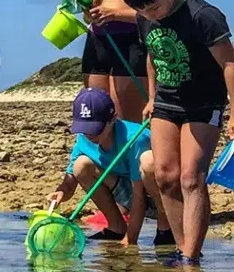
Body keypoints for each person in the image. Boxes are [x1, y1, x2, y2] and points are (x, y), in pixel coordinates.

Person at [121, 0, 234, 264]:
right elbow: (153, 54)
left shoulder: (202, 16)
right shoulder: (145, 17)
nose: (148, 14)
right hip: (166, 102)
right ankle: (183, 249)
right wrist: (152, 96)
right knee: (165, 176)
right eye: (141, 9)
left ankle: (192, 256)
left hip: (203, 103)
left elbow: (229, 64)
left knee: (190, 178)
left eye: (153, 7)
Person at [48, 87, 173, 245]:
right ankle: (116, 227)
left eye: (95, 130)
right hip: (128, 192)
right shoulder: (84, 138)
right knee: (81, 165)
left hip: (156, 194)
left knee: (149, 162)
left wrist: (131, 240)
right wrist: (61, 193)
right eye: (85, 129)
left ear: (112, 119)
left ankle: (165, 228)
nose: (89, 136)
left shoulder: (134, 138)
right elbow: (69, 183)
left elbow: (139, 195)